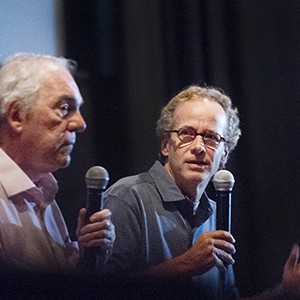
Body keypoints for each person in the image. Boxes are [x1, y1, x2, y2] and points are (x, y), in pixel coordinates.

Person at [103, 85, 300, 299]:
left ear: (224, 154)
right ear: (165, 145)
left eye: (211, 137)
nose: (199, 147)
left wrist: (284, 292)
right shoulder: (127, 198)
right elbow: (99, 291)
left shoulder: (215, 214)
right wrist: (186, 263)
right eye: (186, 133)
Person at [0, 53, 115, 278]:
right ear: (16, 116)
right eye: (64, 108)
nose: (80, 124)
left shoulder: (43, 187)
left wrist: (88, 259)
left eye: (78, 109)